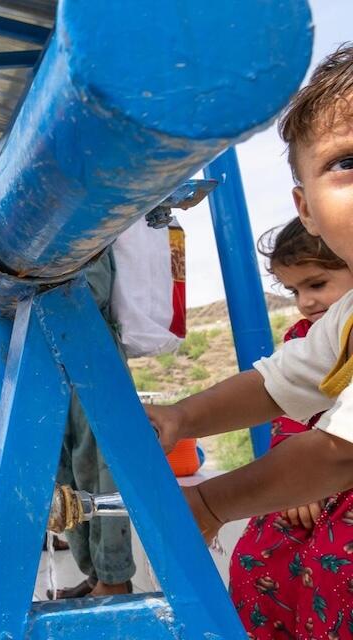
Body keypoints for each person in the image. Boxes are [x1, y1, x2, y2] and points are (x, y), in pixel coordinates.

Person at [146, 45, 353, 638]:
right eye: (348, 161)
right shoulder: (344, 319)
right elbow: (276, 381)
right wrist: (182, 416)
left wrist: (210, 505)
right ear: (305, 208)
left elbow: (338, 452)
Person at [227, 218, 353, 637]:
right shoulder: (303, 337)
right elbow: (285, 408)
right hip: (304, 476)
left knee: (331, 567)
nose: (305, 302)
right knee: (256, 556)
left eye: (316, 284)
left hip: (339, 472)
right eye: (295, 291)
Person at [51, 249, 136, 598]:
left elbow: (92, 290)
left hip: (91, 348)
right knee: (65, 469)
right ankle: (94, 573)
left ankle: (114, 578)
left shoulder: (85, 211)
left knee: (99, 467)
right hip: (50, 350)